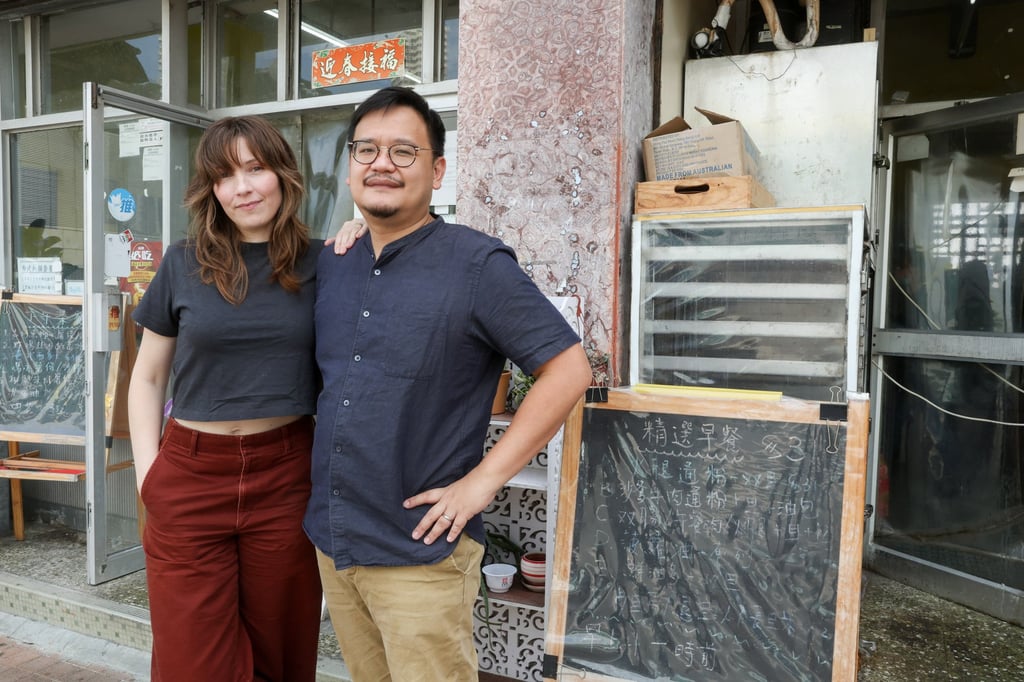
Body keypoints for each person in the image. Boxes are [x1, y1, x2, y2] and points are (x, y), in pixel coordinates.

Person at [306, 86, 593, 681]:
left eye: (403, 152)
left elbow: (568, 368)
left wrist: (483, 482)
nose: (381, 163)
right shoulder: (332, 260)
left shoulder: (477, 264)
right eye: (366, 150)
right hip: (335, 542)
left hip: (418, 554)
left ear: (438, 170)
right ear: (350, 165)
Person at [128, 115, 361, 681]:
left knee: (281, 650)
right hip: (189, 473)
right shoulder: (183, 263)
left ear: (282, 176)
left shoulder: (323, 261)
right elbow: (148, 377)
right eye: (225, 175)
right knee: (193, 662)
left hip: (284, 476)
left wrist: (365, 231)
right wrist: (148, 477)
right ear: (211, 189)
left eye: (256, 169)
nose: (243, 187)